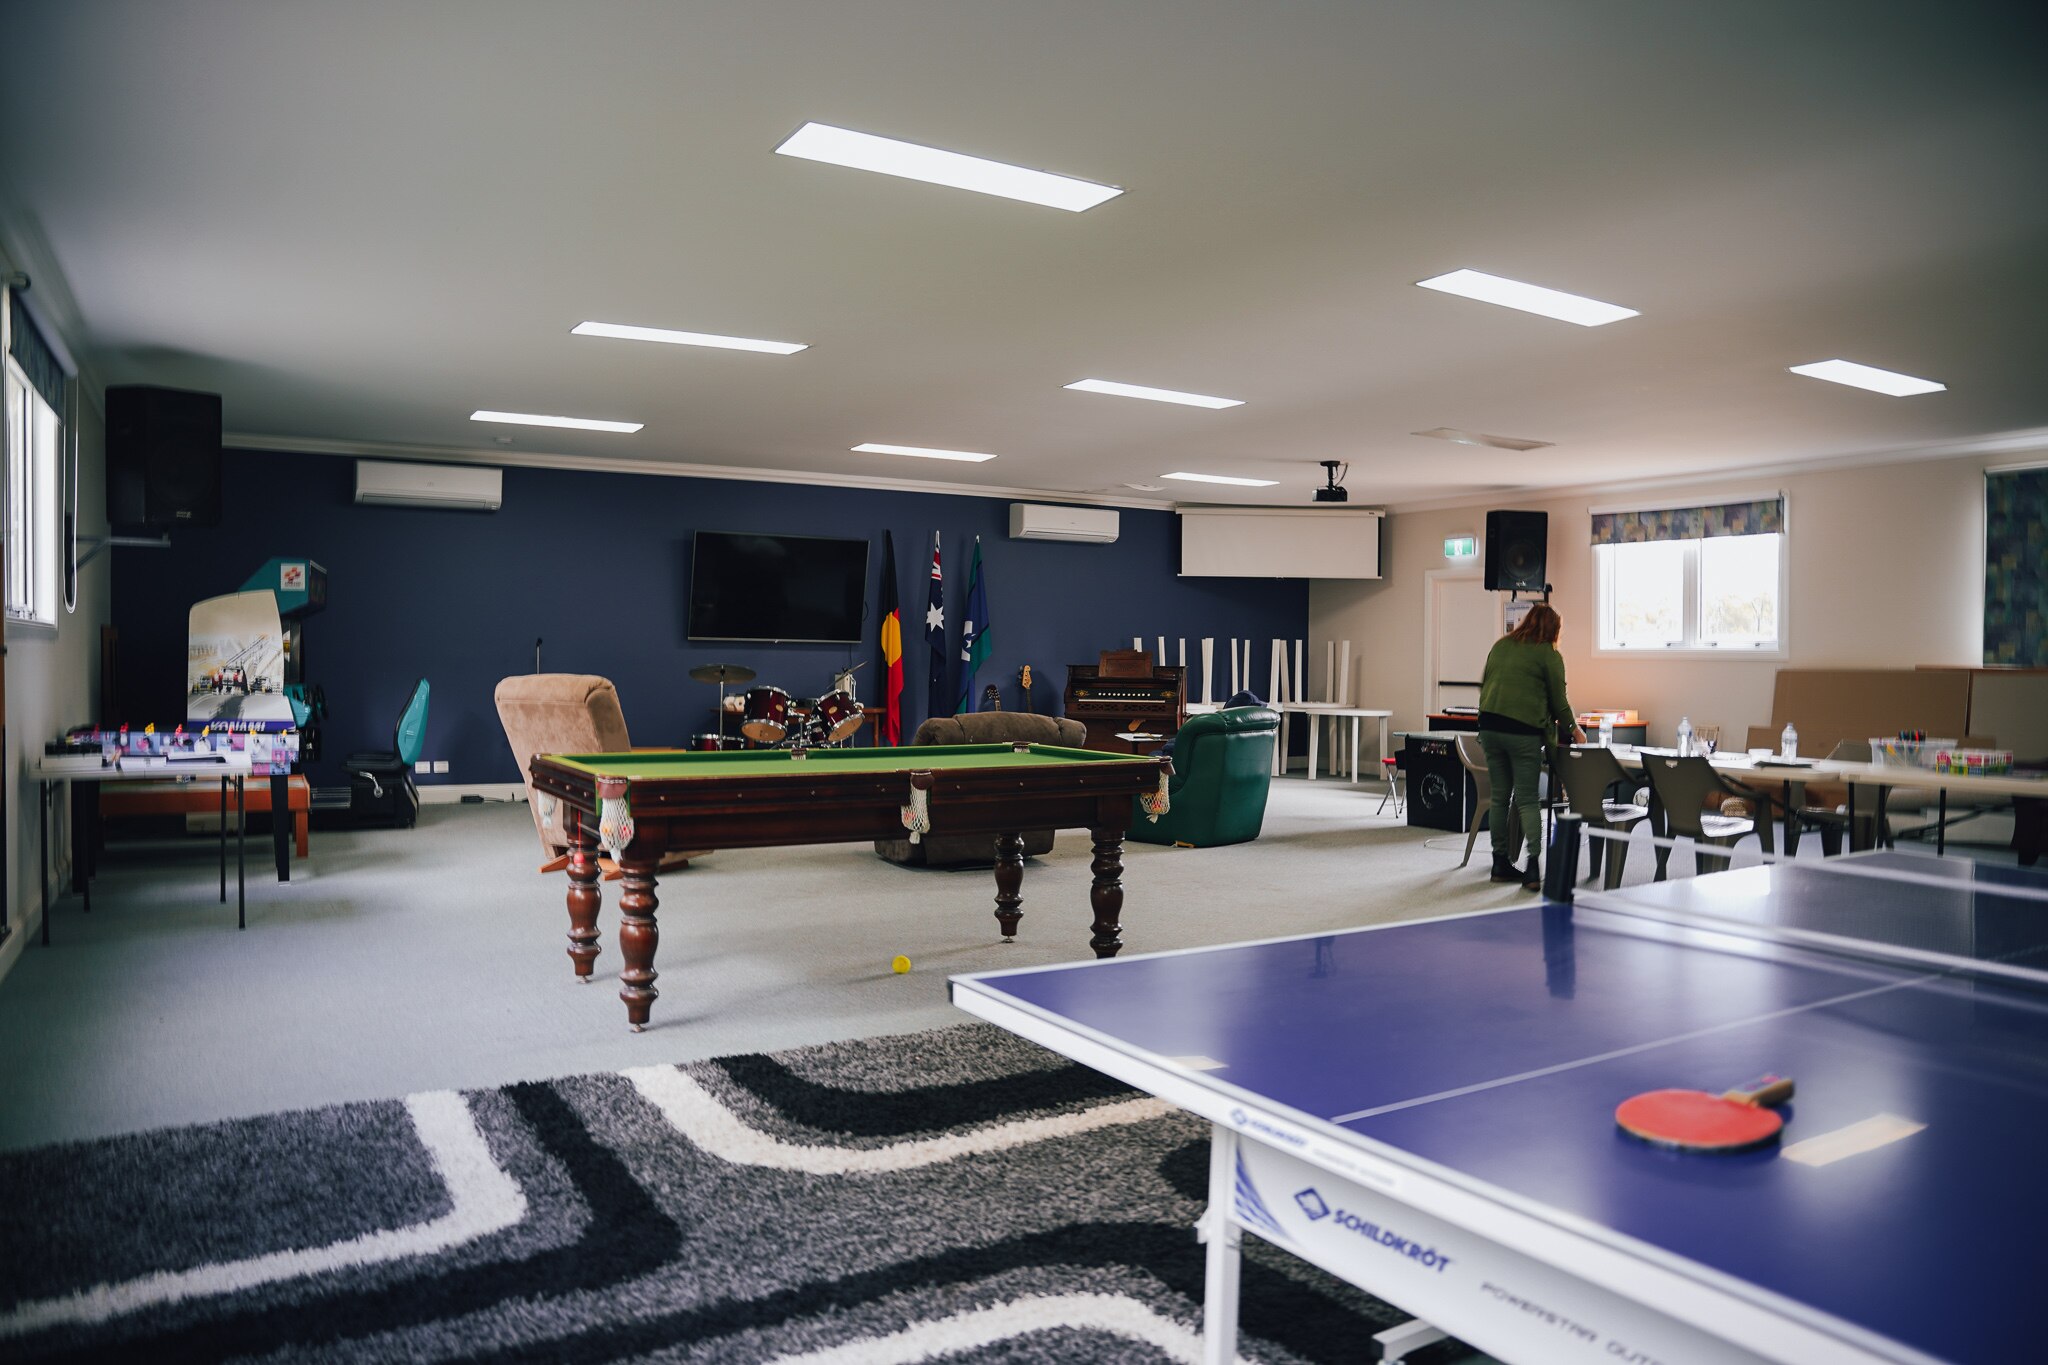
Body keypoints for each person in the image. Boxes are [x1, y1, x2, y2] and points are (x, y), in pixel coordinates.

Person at [1476, 604, 1584, 890]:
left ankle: (1499, 863)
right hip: (1522, 732)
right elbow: (1559, 701)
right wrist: (1575, 730)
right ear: (1554, 630)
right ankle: (1532, 868)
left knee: (1499, 798)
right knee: (1526, 799)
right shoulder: (1548, 654)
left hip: (1489, 726)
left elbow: (1485, 685)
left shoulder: (1501, 646)